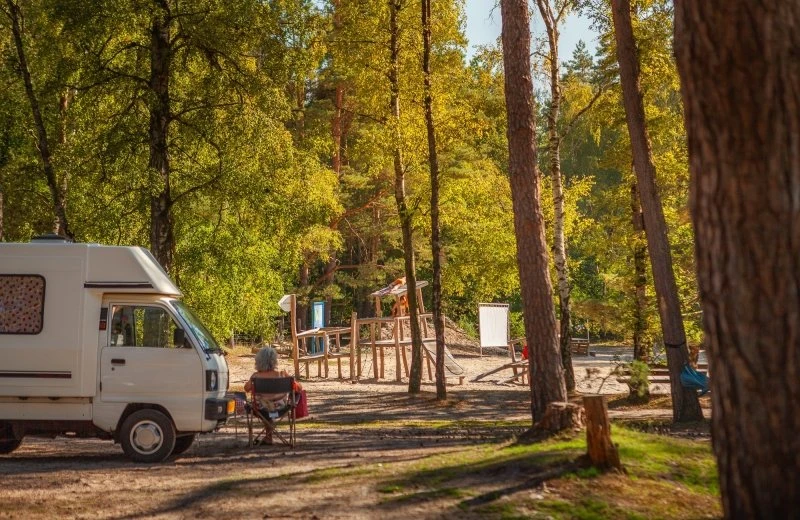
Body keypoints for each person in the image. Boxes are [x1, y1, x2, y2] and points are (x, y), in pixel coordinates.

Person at [244, 347, 302, 444]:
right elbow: (299, 388)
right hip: (281, 409)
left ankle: (268, 437)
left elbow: (246, 389)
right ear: (274, 360)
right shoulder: (283, 374)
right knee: (271, 408)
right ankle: (268, 438)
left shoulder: (256, 376)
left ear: (258, 361)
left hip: (262, 410)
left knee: (260, 407)